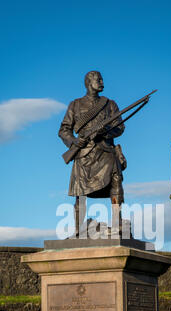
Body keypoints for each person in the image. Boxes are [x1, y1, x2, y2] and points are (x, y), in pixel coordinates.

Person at [58, 70, 126, 235]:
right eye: (99, 80)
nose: (102, 82)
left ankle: (117, 225)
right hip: (84, 154)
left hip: (106, 152)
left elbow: (120, 127)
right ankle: (77, 230)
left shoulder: (110, 104)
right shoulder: (75, 105)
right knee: (80, 193)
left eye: (102, 79)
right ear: (89, 82)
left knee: (116, 184)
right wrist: (74, 141)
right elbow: (64, 130)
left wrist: (106, 130)